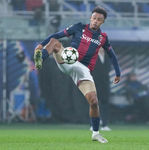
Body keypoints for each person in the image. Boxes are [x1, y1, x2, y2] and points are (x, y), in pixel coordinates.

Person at [34, 6, 121, 143]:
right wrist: (41, 44)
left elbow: (112, 56)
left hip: (83, 70)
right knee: (55, 42)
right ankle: (40, 59)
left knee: (94, 101)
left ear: (102, 22)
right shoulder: (78, 27)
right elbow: (56, 35)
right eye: (94, 18)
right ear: (90, 18)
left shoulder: (103, 38)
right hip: (68, 60)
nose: (95, 21)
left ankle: (95, 133)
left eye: (99, 20)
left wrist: (118, 73)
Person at [91, 48, 111, 131]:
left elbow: (108, 68)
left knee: (105, 104)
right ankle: (93, 124)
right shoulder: (93, 56)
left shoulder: (107, 56)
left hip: (105, 83)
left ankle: (105, 125)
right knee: (94, 104)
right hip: (95, 82)